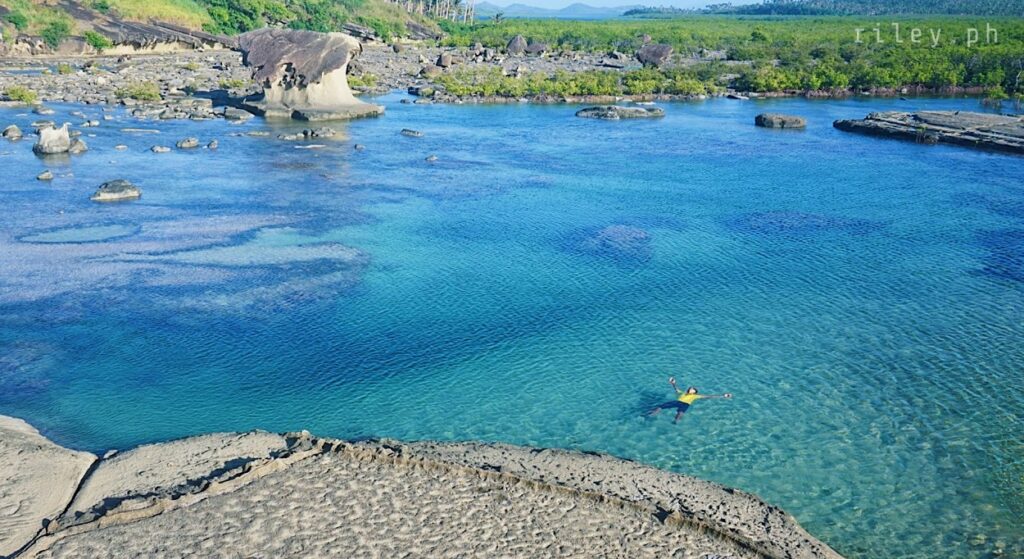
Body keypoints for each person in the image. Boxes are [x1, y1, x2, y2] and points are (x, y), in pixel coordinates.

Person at [648, 377, 732, 423]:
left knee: (680, 413)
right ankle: (651, 415)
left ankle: (675, 422)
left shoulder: (695, 396)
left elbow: (708, 396)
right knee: (661, 406)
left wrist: (723, 396)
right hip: (678, 401)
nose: (691, 389)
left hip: (685, 404)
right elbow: (676, 389)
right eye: (691, 388)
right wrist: (673, 383)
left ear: (694, 392)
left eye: (693, 389)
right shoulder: (683, 393)